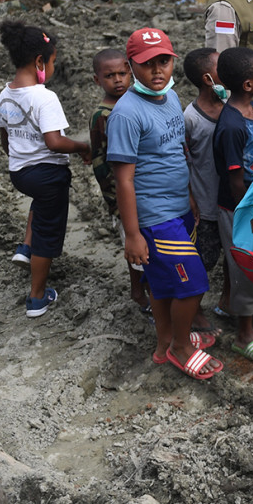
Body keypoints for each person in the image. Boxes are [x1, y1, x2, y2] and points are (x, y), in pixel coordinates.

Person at [108, 28, 222, 380]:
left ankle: (164, 344)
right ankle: (181, 347)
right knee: (193, 283)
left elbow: (176, 152)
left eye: (164, 62)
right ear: (131, 67)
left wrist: (188, 192)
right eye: (146, 65)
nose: (157, 71)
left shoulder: (170, 97)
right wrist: (132, 234)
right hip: (156, 217)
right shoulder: (126, 115)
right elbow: (123, 179)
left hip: (179, 207)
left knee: (161, 282)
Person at [0, 21, 91, 317]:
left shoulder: (5, 94)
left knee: (40, 203)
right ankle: (37, 297)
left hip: (20, 173)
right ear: (39, 61)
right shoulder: (44, 97)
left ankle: (25, 248)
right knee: (48, 234)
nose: (52, 69)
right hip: (48, 176)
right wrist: (81, 146)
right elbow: (54, 142)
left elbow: (4, 135)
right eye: (52, 62)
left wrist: (18, 155)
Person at [212, 47, 253, 362]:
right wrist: (248, 215)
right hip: (240, 209)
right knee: (245, 267)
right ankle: (244, 334)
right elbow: (235, 179)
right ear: (249, 84)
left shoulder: (251, 110)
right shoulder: (231, 126)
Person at [88, 48, 151, 316]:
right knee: (135, 242)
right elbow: (106, 164)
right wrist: (115, 200)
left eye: (122, 74)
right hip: (123, 193)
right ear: (97, 80)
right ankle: (139, 293)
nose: (118, 80)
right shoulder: (104, 115)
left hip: (142, 189)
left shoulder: (135, 103)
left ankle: (145, 289)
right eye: (110, 75)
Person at [182, 48, 230, 316]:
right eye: (220, 67)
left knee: (233, 258)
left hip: (232, 200)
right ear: (207, 79)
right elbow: (184, 160)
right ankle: (193, 309)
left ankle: (226, 302)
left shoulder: (233, 106)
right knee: (205, 259)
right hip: (207, 204)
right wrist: (190, 196)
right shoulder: (190, 118)